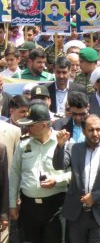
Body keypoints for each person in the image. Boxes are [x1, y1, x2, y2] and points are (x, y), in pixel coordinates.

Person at [52, 115, 100, 243]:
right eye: (91, 130)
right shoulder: (73, 148)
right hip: (77, 215)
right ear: (84, 131)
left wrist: (95, 196)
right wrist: (60, 145)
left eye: (98, 129)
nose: (95, 133)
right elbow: (58, 165)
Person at [9, 103, 71, 243]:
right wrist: (12, 204)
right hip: (28, 208)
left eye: (31, 125)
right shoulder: (24, 144)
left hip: (55, 207)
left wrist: (57, 179)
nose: (27, 128)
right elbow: (14, 175)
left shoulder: (63, 141)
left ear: (44, 125)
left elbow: (75, 173)